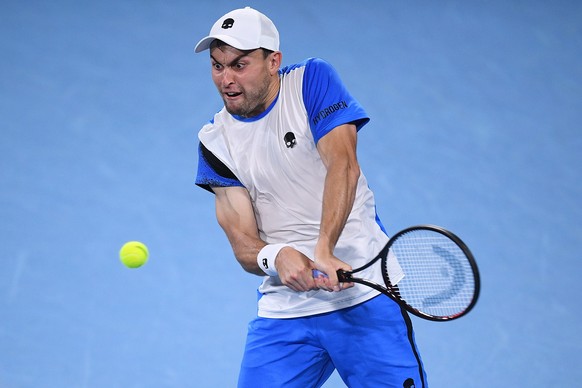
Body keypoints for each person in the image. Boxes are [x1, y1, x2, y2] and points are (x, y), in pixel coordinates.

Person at [194, 7, 428, 388]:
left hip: (363, 296)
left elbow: (344, 165)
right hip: (285, 312)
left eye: (240, 65)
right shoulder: (214, 141)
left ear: (274, 61)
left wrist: (324, 248)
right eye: (218, 66)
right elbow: (241, 241)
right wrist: (277, 255)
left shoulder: (311, 82)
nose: (227, 79)